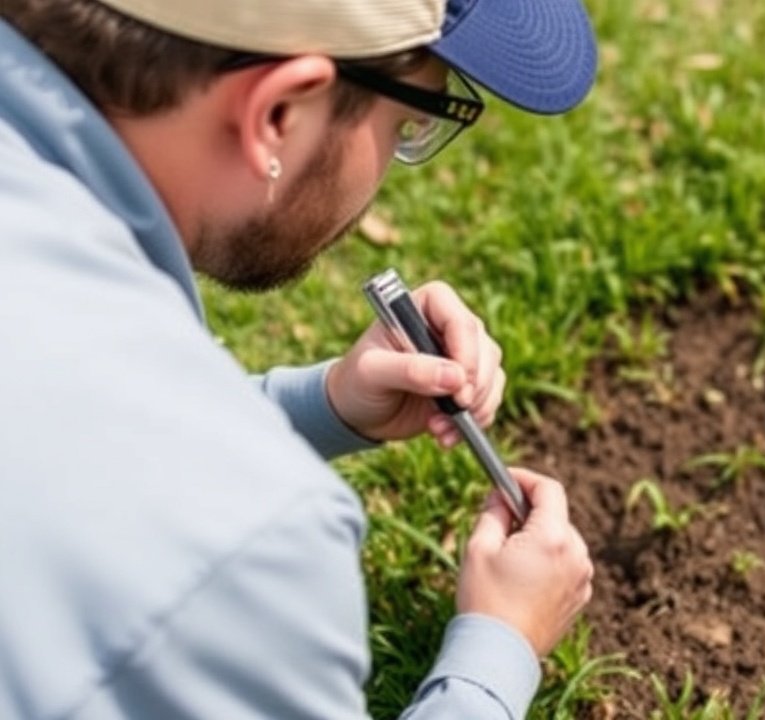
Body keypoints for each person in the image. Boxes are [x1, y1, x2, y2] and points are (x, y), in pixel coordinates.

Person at [0, 0, 598, 717]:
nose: (399, 156)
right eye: (407, 124)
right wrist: (497, 651)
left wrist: (324, 405)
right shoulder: (253, 554)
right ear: (279, 113)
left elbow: (74, 456)